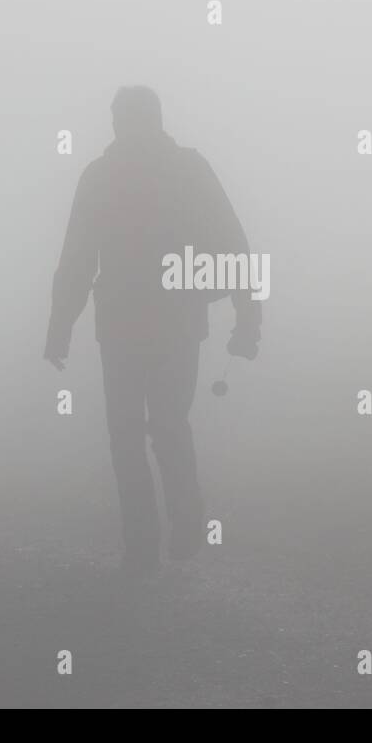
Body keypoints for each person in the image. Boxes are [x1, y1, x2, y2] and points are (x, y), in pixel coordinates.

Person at [44, 86, 261, 575]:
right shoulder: (187, 169)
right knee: (166, 426)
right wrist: (248, 319)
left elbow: (77, 258)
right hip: (176, 323)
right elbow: (235, 244)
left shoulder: (100, 177)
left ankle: (146, 544)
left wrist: (61, 326)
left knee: (130, 434)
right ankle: (179, 524)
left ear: (118, 121)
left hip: (124, 326)